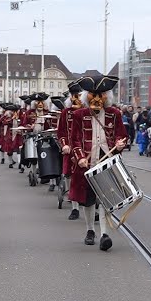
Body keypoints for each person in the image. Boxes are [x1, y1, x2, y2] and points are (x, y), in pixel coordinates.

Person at [67, 75, 128, 250]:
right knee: (88, 200)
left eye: (100, 95)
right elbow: (75, 140)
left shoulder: (114, 114)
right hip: (87, 163)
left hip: (107, 162)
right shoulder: (79, 114)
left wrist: (119, 144)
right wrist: (80, 158)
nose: (97, 98)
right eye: (94, 94)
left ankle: (104, 234)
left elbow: (121, 135)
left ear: (106, 97)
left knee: (105, 198)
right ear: (88, 96)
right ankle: (89, 230)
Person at [57, 80, 83, 220]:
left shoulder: (88, 111)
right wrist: (64, 145)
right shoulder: (65, 113)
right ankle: (75, 208)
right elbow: (60, 132)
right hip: (70, 149)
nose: (76, 98)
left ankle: (93, 207)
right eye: (74, 95)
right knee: (70, 177)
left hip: (86, 150)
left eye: (78, 95)